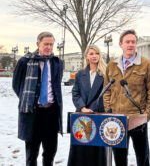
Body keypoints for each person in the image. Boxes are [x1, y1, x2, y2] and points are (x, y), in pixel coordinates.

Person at [103, 29, 150, 166]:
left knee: (142, 156)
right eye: (127, 42)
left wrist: (146, 115)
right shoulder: (112, 65)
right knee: (119, 158)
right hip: (117, 119)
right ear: (120, 44)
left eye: (133, 42)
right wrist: (109, 109)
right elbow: (107, 90)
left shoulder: (147, 64)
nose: (131, 45)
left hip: (137, 118)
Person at [12, 31, 64, 166]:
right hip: (33, 113)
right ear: (38, 44)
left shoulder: (57, 62)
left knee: (50, 153)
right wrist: (29, 99)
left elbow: (56, 86)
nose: (49, 47)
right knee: (32, 154)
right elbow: (17, 85)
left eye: (51, 44)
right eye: (46, 44)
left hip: (51, 113)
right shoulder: (25, 61)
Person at [67, 45, 107, 166]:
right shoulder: (80, 74)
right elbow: (75, 93)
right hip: (81, 116)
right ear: (86, 57)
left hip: (97, 115)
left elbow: (106, 94)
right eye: (91, 54)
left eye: (97, 53)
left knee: (96, 150)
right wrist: (82, 108)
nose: (94, 56)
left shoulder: (105, 74)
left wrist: (93, 109)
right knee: (80, 149)